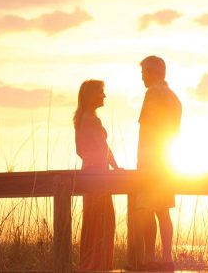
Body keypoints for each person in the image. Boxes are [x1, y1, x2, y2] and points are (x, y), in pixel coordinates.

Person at [135, 56, 182, 271]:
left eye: (144, 71)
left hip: (152, 161)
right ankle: (166, 258)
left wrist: (141, 163)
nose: (142, 76)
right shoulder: (174, 98)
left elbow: (146, 130)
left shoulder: (152, 94)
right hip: (167, 160)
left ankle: (149, 259)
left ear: (153, 72)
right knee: (163, 210)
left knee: (146, 209)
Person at [73, 79, 121, 271]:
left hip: (88, 173)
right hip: (99, 177)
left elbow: (79, 150)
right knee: (103, 222)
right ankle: (98, 266)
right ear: (92, 95)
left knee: (92, 222)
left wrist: (92, 161)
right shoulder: (92, 120)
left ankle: (90, 265)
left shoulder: (81, 118)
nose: (104, 95)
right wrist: (116, 169)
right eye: (101, 92)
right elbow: (104, 149)